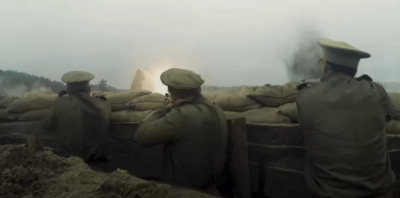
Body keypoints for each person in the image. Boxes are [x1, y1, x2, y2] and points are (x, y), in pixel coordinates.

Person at [297, 38, 397, 198]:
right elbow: (393, 114)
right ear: (354, 71)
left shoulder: (305, 97)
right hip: (378, 193)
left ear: (325, 66)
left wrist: (319, 84)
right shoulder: (376, 92)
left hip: (327, 194)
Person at [135, 68, 228, 194]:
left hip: (184, 192)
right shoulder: (218, 111)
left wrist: (164, 110)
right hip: (212, 189)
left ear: (172, 93)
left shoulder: (181, 115)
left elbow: (142, 136)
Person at [42, 71, 111, 163]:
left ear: (68, 89)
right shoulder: (104, 105)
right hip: (98, 161)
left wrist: (60, 100)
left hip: (70, 161)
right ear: (89, 88)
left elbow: (46, 126)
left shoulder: (60, 103)